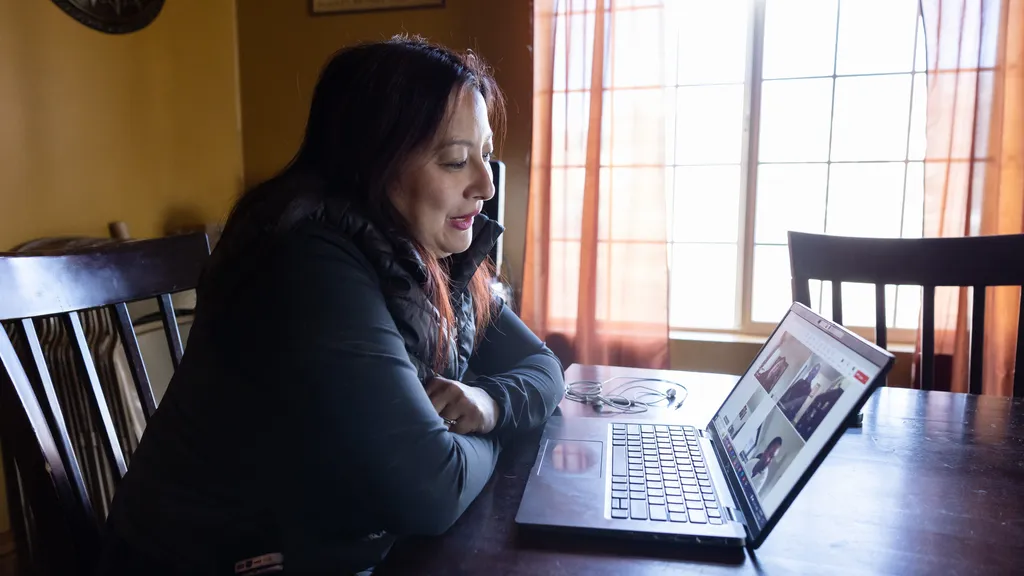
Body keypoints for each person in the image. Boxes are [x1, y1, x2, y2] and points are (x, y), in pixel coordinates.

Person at [97, 37, 565, 576]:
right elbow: (432, 489)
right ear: (374, 161)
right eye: (456, 160)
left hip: (343, 545)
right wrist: (495, 429)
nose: (484, 184)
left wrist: (492, 404)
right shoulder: (307, 261)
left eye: (485, 155)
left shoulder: (433, 249)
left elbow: (545, 368)